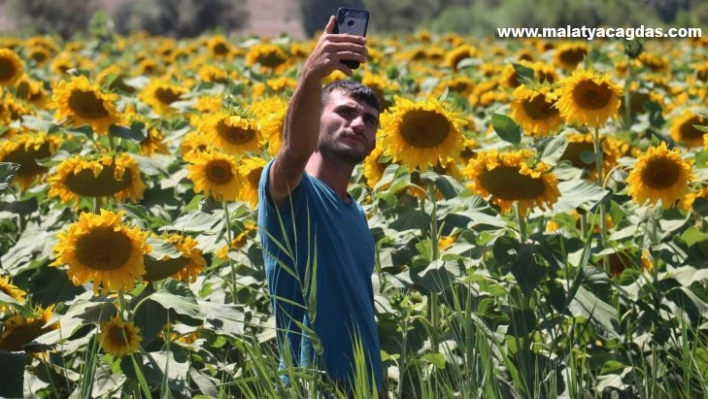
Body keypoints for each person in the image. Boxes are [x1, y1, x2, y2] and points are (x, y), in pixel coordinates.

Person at [257, 14, 387, 397]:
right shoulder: (291, 191)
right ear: (316, 121)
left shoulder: (356, 213)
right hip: (313, 384)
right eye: (345, 112)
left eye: (369, 119)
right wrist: (311, 77)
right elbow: (294, 151)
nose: (358, 123)